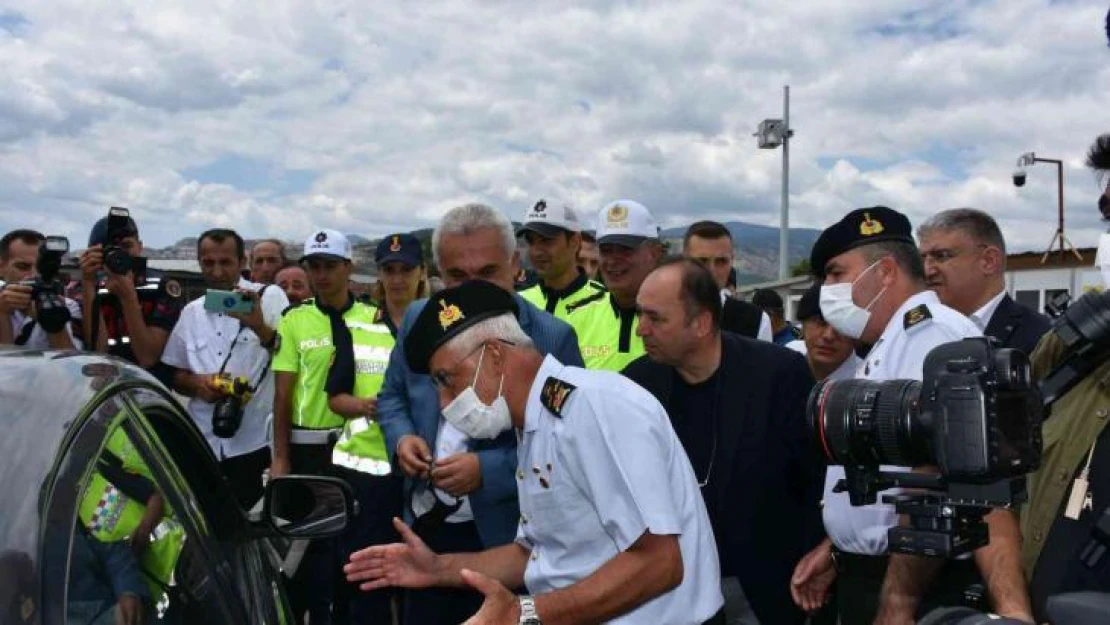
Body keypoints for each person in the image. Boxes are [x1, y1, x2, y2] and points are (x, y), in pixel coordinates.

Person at [347, 280, 724, 624]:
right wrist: (438, 568)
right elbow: (537, 555)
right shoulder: (533, 425)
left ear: (494, 356)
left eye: (446, 380)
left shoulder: (593, 407)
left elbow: (660, 562)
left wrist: (525, 613)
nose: (444, 403)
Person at [800, 206, 1032, 624]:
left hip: (915, 583)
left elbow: (937, 486)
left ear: (885, 272)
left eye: (836, 274)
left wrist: (896, 602)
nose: (827, 290)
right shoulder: (892, 341)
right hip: (873, 574)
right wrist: (840, 548)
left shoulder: (932, 338)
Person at [374, 203, 584, 625]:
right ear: (437, 273)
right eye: (456, 277)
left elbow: (566, 445)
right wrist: (402, 439)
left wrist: (487, 469)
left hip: (507, 535)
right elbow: (392, 396)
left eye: (487, 274)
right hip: (427, 525)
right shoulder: (418, 319)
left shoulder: (552, 338)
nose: (471, 290)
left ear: (515, 266)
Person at [622, 258, 822, 625]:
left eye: (656, 318)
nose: (641, 330)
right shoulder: (637, 385)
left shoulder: (779, 376)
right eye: (640, 315)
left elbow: (816, 480)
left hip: (764, 590)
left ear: (701, 324)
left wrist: (821, 558)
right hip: (669, 594)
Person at [271, 229, 401, 625]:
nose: (322, 275)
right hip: (309, 449)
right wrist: (280, 459)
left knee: (352, 554)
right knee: (304, 555)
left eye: (330, 266)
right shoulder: (295, 320)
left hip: (359, 449)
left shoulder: (372, 320)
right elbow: (283, 396)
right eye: (314, 266)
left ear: (348, 268)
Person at [160, 228, 287, 508]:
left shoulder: (270, 298)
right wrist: (198, 385)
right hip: (202, 442)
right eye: (208, 263)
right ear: (199, 263)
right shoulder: (192, 312)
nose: (217, 271)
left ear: (242, 262)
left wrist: (259, 326)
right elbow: (174, 374)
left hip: (253, 442)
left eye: (225, 262)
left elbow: (290, 360)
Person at [918, 208, 1050, 355]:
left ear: (988, 261)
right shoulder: (919, 332)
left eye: (941, 256)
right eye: (922, 259)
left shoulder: (1040, 338)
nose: (927, 271)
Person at [79, 213, 183, 371]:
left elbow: (147, 357)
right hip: (105, 380)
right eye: (110, 248)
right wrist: (88, 282)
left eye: (127, 246)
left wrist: (128, 298)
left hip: (150, 384)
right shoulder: (89, 287)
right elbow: (98, 351)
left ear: (140, 247)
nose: (120, 254)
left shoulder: (162, 287)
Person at [566, 200, 663, 371]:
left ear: (654, 253)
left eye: (625, 249)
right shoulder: (574, 317)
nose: (612, 260)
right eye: (606, 249)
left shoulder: (676, 320)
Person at [517, 199, 607, 319]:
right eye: (531, 241)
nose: (536, 251)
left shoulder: (607, 304)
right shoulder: (518, 302)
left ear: (575, 241)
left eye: (546, 240)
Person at [682, 220, 772, 341]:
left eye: (721, 261)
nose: (711, 270)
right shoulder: (661, 312)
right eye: (702, 261)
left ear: (732, 261)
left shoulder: (756, 321)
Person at [0, 229, 80, 349]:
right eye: (23, 267)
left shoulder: (68, 306)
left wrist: (53, 321)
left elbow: (68, 362)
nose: (34, 275)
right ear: (2, 268)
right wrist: (2, 314)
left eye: (41, 267)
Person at [785, 281, 860, 383]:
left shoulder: (871, 382)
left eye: (840, 325)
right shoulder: (787, 358)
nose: (828, 336)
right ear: (802, 326)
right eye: (821, 323)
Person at [368, 233, 427, 327]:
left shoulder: (441, 324)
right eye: (389, 270)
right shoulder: (354, 323)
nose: (397, 280)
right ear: (379, 274)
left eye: (406, 269)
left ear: (422, 273)